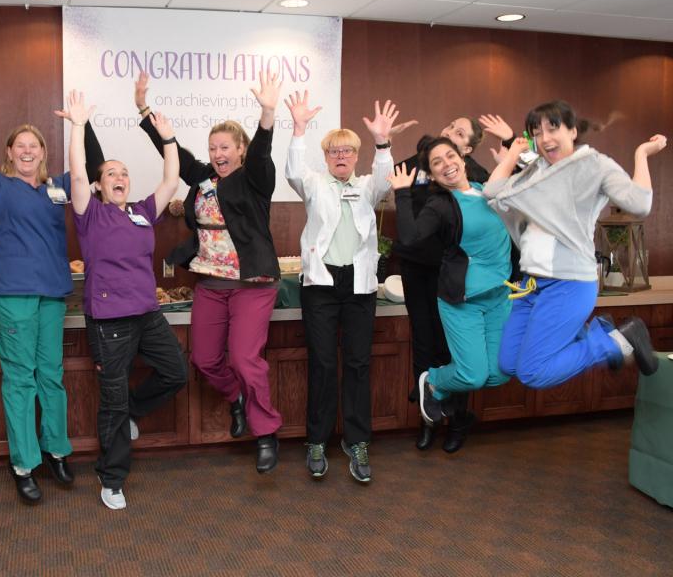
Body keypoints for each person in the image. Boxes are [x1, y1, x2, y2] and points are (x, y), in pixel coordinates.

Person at [0, 81, 105, 504]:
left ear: (42, 152)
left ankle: (56, 451)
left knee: (52, 377)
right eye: (20, 145)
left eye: (34, 144)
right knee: (20, 380)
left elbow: (97, 163)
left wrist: (82, 124)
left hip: (53, 295)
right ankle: (24, 464)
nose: (27, 150)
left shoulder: (58, 188)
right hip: (14, 295)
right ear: (10, 153)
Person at [134, 70, 284, 473]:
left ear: (240, 150)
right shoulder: (202, 180)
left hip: (252, 286)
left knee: (244, 358)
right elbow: (175, 153)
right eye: (213, 147)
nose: (218, 153)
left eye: (225, 147)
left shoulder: (253, 181)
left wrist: (267, 113)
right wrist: (145, 110)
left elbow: (264, 153)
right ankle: (235, 399)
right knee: (203, 359)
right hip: (211, 285)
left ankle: (265, 432)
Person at [58, 90, 188, 510]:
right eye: (111, 173)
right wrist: (78, 126)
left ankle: (133, 412)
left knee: (176, 372)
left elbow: (171, 181)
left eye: (125, 173)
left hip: (147, 316)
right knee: (111, 402)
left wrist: (168, 141)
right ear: (100, 184)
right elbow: (77, 176)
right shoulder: (89, 212)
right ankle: (111, 478)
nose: (119, 177)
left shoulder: (142, 211)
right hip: (109, 322)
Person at [484, 100, 666, 388]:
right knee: (508, 363)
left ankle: (615, 341)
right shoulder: (537, 170)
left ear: (571, 130)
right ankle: (594, 332)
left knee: (533, 373)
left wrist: (641, 154)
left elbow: (640, 203)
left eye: (552, 129)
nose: (544, 139)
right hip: (531, 284)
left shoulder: (595, 165)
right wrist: (514, 153)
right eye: (537, 132)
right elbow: (493, 191)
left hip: (568, 283)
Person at [284, 91, 398, 482]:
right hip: (321, 283)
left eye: (348, 151)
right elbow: (294, 172)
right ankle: (316, 440)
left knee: (358, 364)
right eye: (334, 151)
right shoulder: (314, 184)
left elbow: (385, 178)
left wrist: (383, 143)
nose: (342, 157)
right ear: (326, 156)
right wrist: (298, 128)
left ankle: (356, 440)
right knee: (323, 363)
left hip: (360, 286)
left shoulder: (367, 186)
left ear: (356, 155)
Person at [392, 113, 515, 453]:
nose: (446, 158)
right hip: (442, 280)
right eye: (437, 158)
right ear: (430, 169)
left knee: (489, 369)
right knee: (432, 348)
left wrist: (511, 142)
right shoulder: (437, 195)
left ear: (466, 152)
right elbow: (412, 234)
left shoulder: (483, 184)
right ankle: (428, 407)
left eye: (455, 143)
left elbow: (521, 187)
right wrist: (401, 190)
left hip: (485, 288)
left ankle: (457, 419)